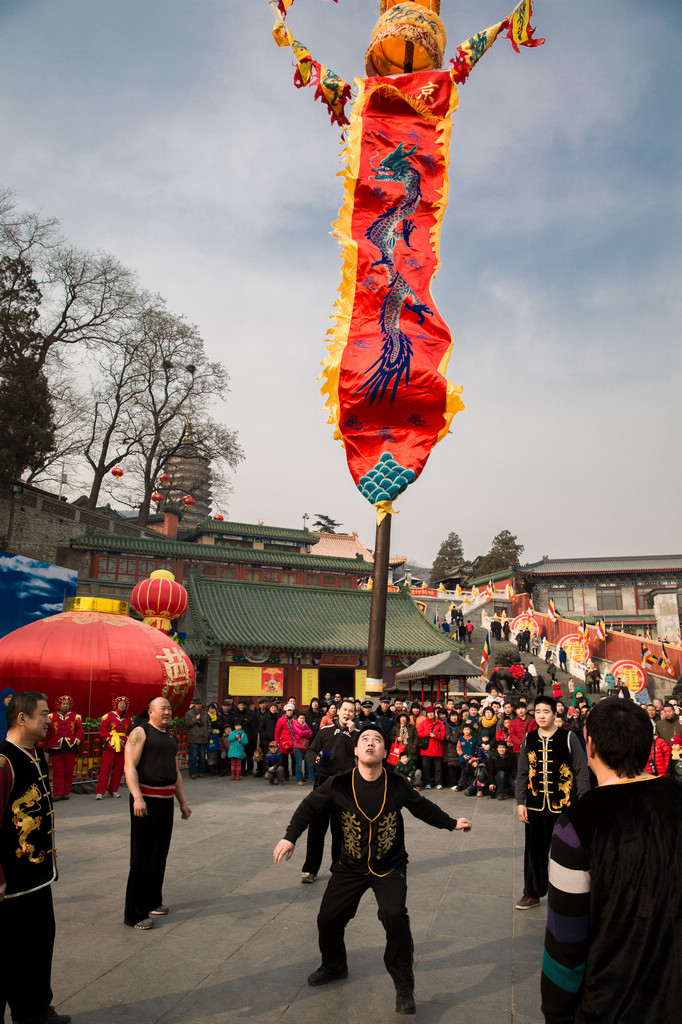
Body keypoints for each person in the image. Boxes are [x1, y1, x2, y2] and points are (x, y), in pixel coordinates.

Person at [273, 723, 472, 1015]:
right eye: (364, 739)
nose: (369, 744)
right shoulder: (339, 783)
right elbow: (309, 806)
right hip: (349, 866)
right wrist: (290, 837)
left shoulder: (397, 784)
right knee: (327, 919)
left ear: (385, 751)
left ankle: (404, 987)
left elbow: (423, 808)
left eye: (376, 740)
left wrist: (452, 823)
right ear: (355, 750)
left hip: (389, 865)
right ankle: (334, 964)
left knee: (395, 917)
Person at [541, 698, 682, 1023]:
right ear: (648, 744)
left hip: (612, 1004)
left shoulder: (576, 825)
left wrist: (556, 1012)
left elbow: (565, 945)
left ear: (589, 746)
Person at [0, 692, 71, 1024]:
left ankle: (35, 1009)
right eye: (43, 714)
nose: (49, 719)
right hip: (12, 882)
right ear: (22, 719)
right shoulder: (4, 761)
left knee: (40, 944)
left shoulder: (34, 753)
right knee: (12, 954)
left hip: (39, 874)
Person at [515, 696, 589, 910]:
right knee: (534, 853)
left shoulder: (568, 738)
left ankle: (571, 894)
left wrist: (583, 800)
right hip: (535, 805)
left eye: (545, 711)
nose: (541, 715)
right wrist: (521, 801)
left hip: (564, 805)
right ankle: (532, 893)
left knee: (567, 852)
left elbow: (581, 770)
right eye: (537, 711)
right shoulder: (529, 738)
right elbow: (522, 772)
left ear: (555, 714)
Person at [123, 696, 191, 930]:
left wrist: (182, 802)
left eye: (169, 708)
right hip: (146, 801)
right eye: (162, 708)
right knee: (142, 855)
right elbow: (129, 765)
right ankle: (134, 913)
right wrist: (137, 797)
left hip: (165, 801)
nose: (167, 712)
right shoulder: (140, 733)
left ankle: (153, 900)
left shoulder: (170, 737)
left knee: (160, 852)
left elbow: (175, 771)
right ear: (150, 711)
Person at [299, 697, 356, 885]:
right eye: (345, 710)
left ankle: (338, 867)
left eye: (351, 711)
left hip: (344, 786)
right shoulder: (325, 731)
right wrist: (315, 759)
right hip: (323, 784)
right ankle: (310, 869)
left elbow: (360, 754)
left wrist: (352, 733)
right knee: (316, 829)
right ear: (337, 712)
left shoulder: (356, 734)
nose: (347, 713)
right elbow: (311, 750)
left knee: (341, 830)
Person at [45, 693, 83, 801]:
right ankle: (57, 793)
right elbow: (46, 728)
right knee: (58, 771)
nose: (65, 706)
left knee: (68, 771)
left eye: (67, 704)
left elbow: (80, 731)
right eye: (63, 704)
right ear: (59, 705)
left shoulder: (76, 717)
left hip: (70, 746)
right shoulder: (51, 717)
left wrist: (76, 741)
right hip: (56, 746)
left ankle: (66, 792)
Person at [96, 695, 133, 799]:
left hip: (122, 746)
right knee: (105, 768)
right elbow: (103, 729)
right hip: (110, 745)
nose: (122, 705)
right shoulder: (108, 716)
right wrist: (108, 738)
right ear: (116, 704)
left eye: (124, 704)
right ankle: (100, 791)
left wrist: (126, 738)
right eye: (120, 703)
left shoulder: (128, 718)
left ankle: (113, 790)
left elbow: (130, 731)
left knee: (118, 769)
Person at [184, 697, 210, 779]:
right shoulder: (189, 713)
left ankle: (201, 771)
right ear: (194, 704)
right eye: (197, 704)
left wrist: (208, 732)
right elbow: (187, 723)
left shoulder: (204, 713)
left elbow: (209, 724)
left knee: (202, 757)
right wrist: (195, 719)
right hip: (194, 738)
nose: (199, 705)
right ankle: (193, 772)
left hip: (203, 738)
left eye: (200, 704)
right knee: (193, 757)